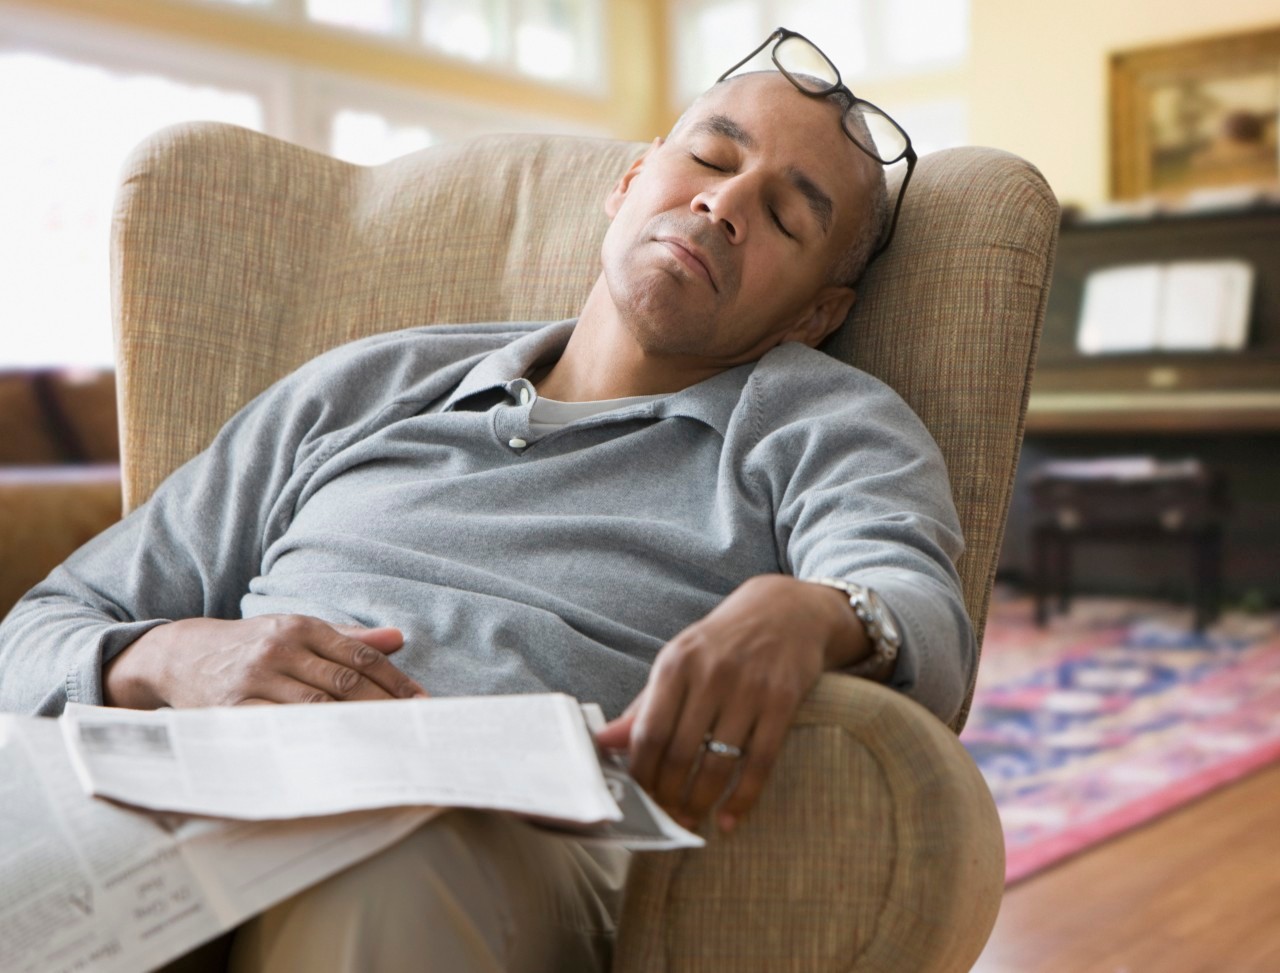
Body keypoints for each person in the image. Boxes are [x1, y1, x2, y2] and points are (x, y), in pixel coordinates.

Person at [0, 29, 972, 973]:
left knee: (381, 849)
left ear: (815, 312)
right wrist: (170, 655)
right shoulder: (363, 384)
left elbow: (915, 607)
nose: (722, 204)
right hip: (194, 792)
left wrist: (814, 611)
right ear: (631, 181)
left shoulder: (822, 419)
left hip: (486, 842)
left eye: (786, 216)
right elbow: (37, 632)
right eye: (710, 157)